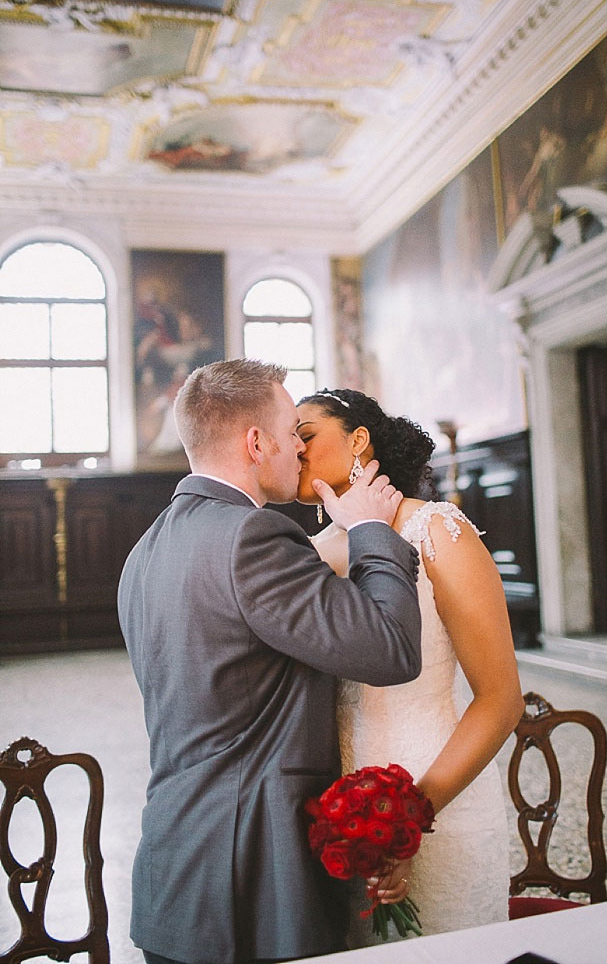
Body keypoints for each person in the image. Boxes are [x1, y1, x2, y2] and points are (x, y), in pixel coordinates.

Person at [117, 359, 423, 964]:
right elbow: (390, 648)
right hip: (251, 882)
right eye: (292, 434)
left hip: (174, 868)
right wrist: (367, 529)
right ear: (256, 443)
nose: (298, 451)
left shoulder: (143, 552)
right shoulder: (252, 537)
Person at [296, 388, 524, 941]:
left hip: (440, 793)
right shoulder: (310, 552)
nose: (293, 450)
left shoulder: (437, 531)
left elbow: (500, 700)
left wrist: (406, 820)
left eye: (305, 436)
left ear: (358, 439)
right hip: (340, 817)